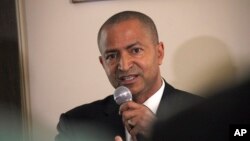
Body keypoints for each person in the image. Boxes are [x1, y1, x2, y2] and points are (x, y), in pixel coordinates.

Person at [55, 11, 202, 141]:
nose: (124, 66)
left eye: (136, 50)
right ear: (102, 63)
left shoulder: (204, 114)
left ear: (159, 53)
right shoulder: (76, 124)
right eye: (112, 56)